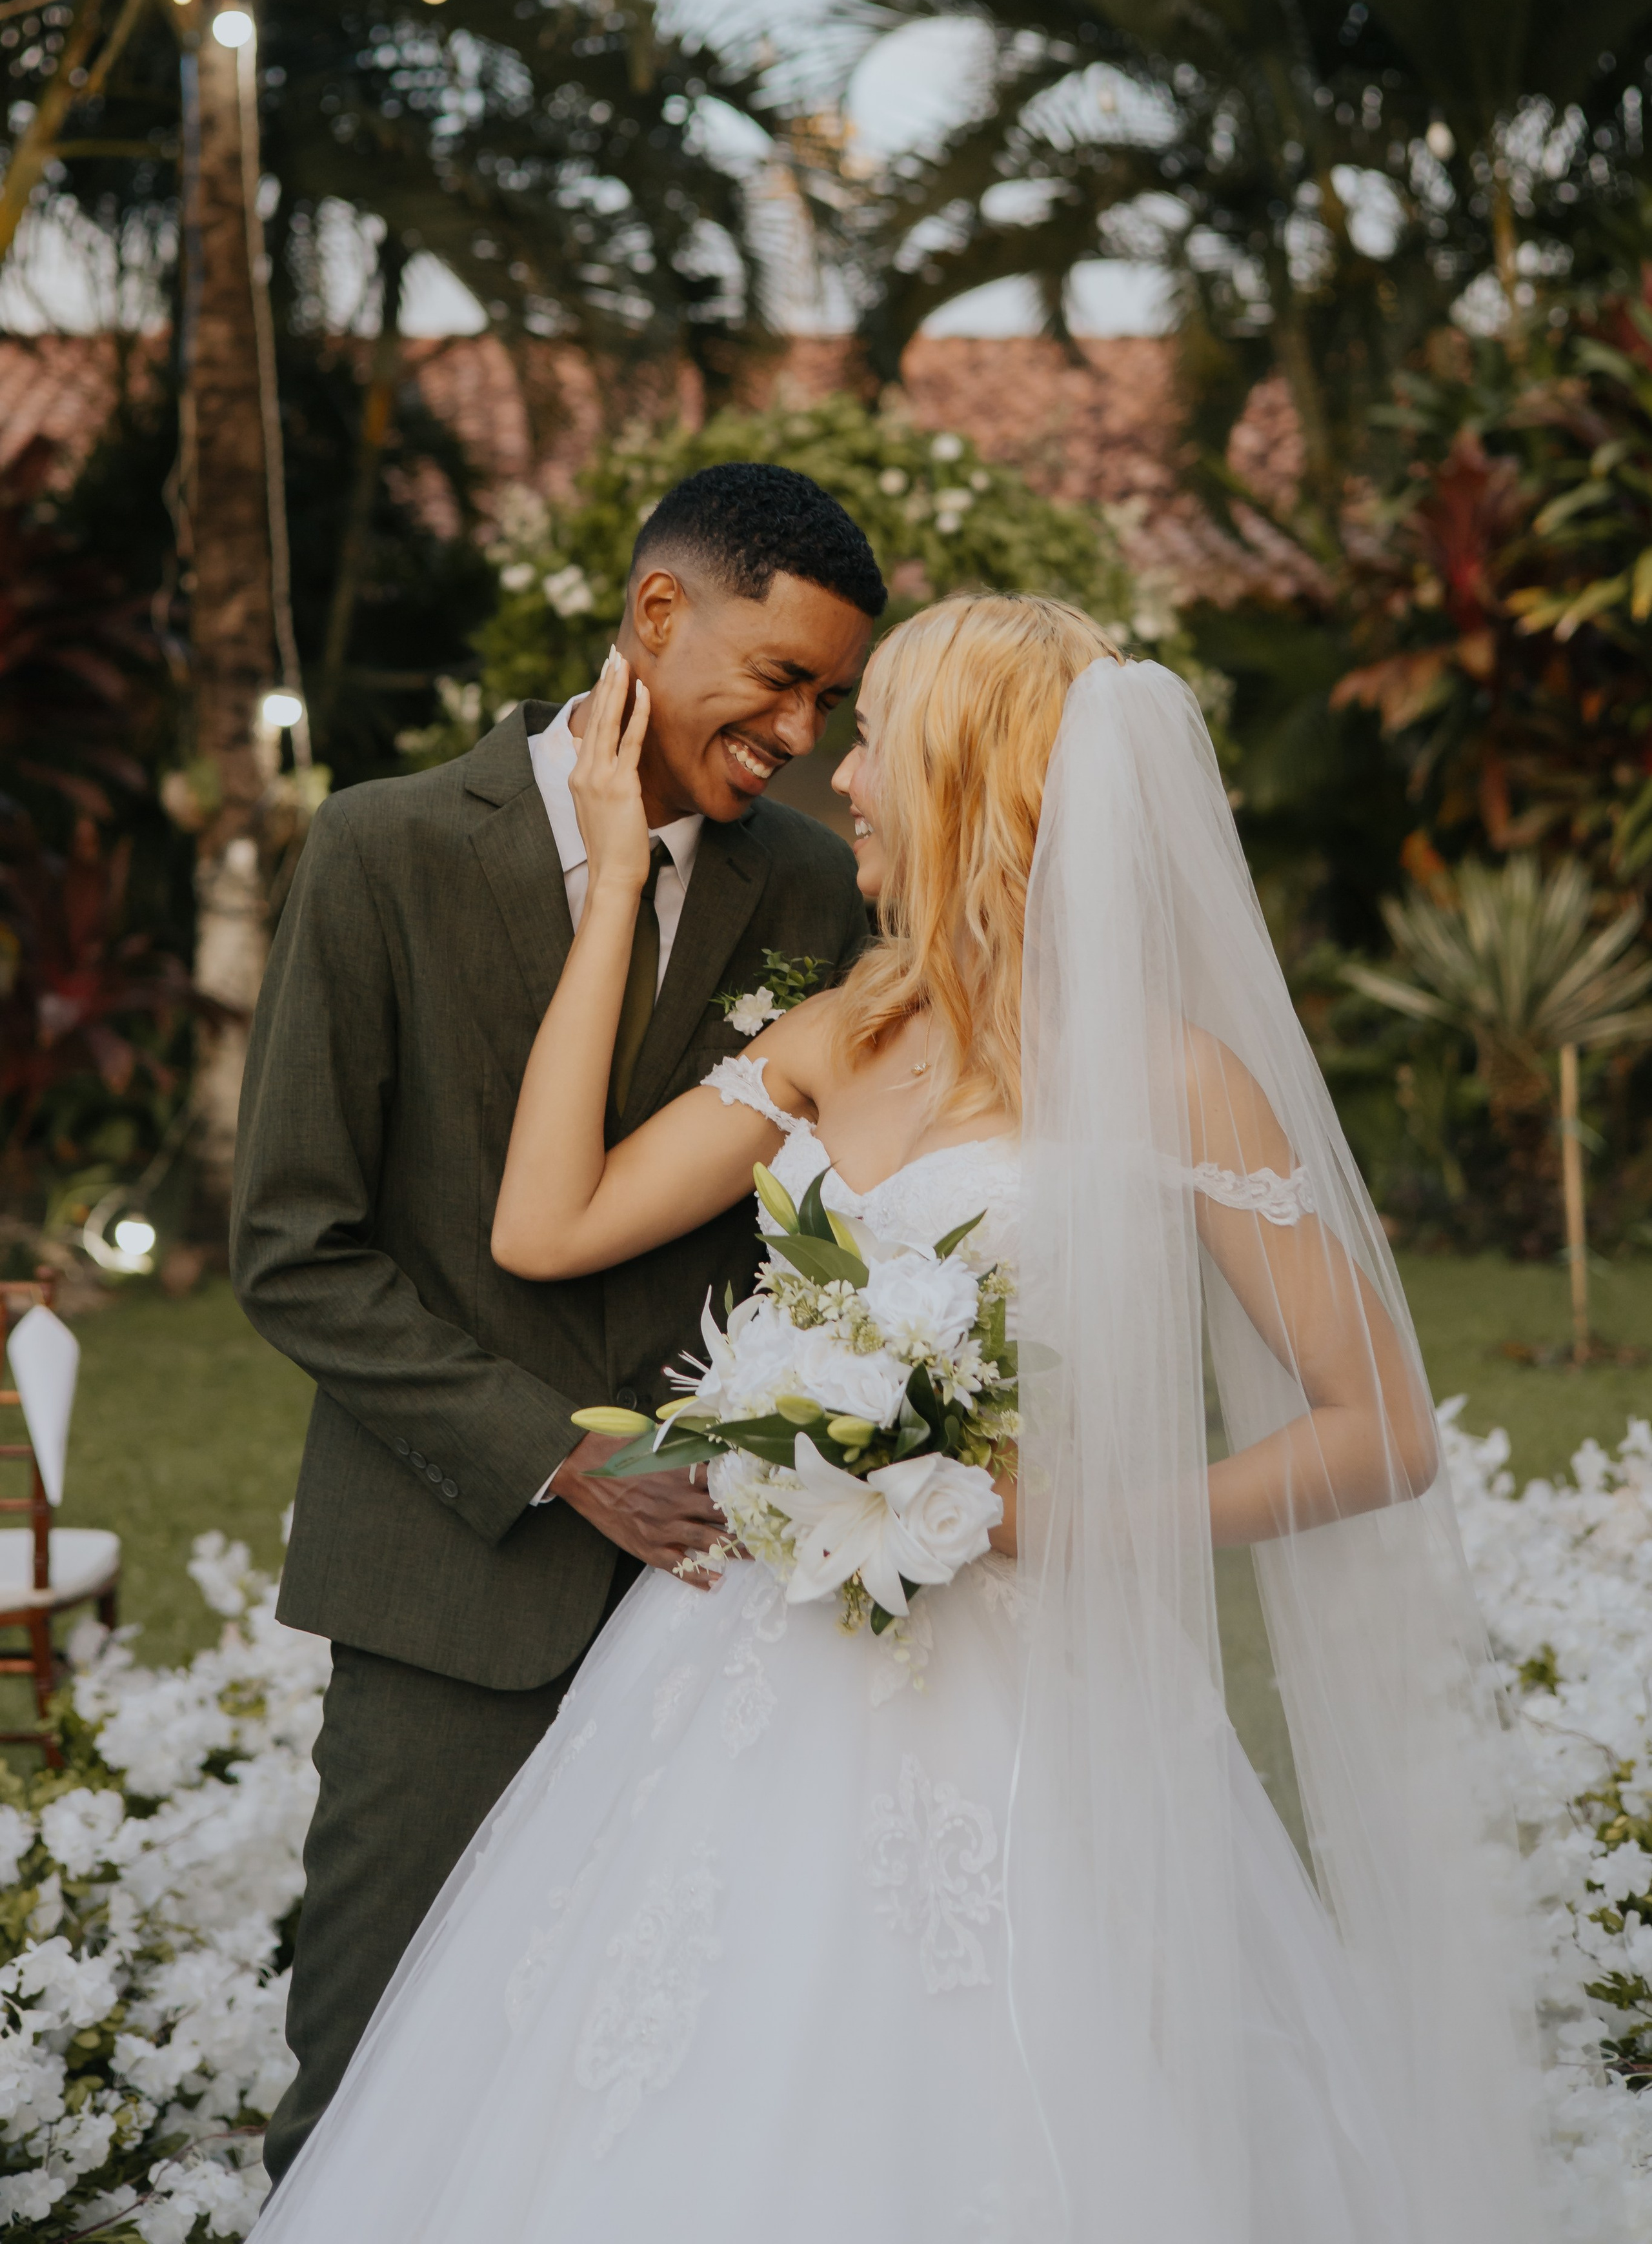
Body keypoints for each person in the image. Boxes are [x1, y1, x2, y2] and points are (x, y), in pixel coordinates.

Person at [251, 596, 1550, 2243]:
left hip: (1035, 1686)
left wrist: (1062, 1520)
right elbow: (544, 1226)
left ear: (964, 780)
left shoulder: (1174, 1079)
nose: (840, 774)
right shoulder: (841, 1034)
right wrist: (601, 898)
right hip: (743, 1669)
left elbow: (1381, 1430)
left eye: (876, 741)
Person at [230, 462, 883, 2184]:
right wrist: (554, 1464)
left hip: (730, 1613)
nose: (803, 731)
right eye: (783, 679)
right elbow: (295, 1246)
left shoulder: (816, 895)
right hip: (456, 1585)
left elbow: (820, 1227)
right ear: (659, 618)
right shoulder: (381, 848)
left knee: (667, 2090)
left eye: (832, 699)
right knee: (369, 2076)